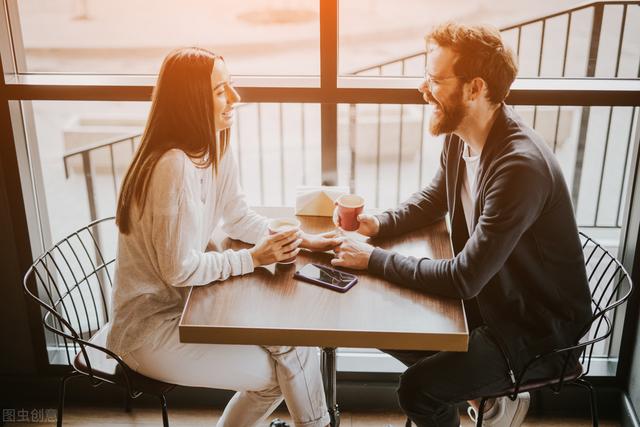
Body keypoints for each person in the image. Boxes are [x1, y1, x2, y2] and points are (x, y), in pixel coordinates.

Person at [331, 23, 592, 427]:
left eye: (435, 79)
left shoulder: (519, 168)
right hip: (495, 297)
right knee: (383, 325)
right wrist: (375, 225)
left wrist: (372, 259)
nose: (423, 87)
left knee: (418, 389)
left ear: (474, 88)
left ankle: (493, 391)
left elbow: (463, 278)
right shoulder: (464, 134)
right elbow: (434, 199)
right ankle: (484, 394)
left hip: (534, 328)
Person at [106, 47, 337, 427]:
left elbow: (238, 217)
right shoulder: (172, 166)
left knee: (292, 348)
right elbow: (178, 271)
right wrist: (253, 259)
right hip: (150, 330)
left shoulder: (215, 143)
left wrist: (300, 240)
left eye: (231, 86)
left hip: (191, 308)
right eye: (220, 91)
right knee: (286, 369)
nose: (235, 98)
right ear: (192, 101)